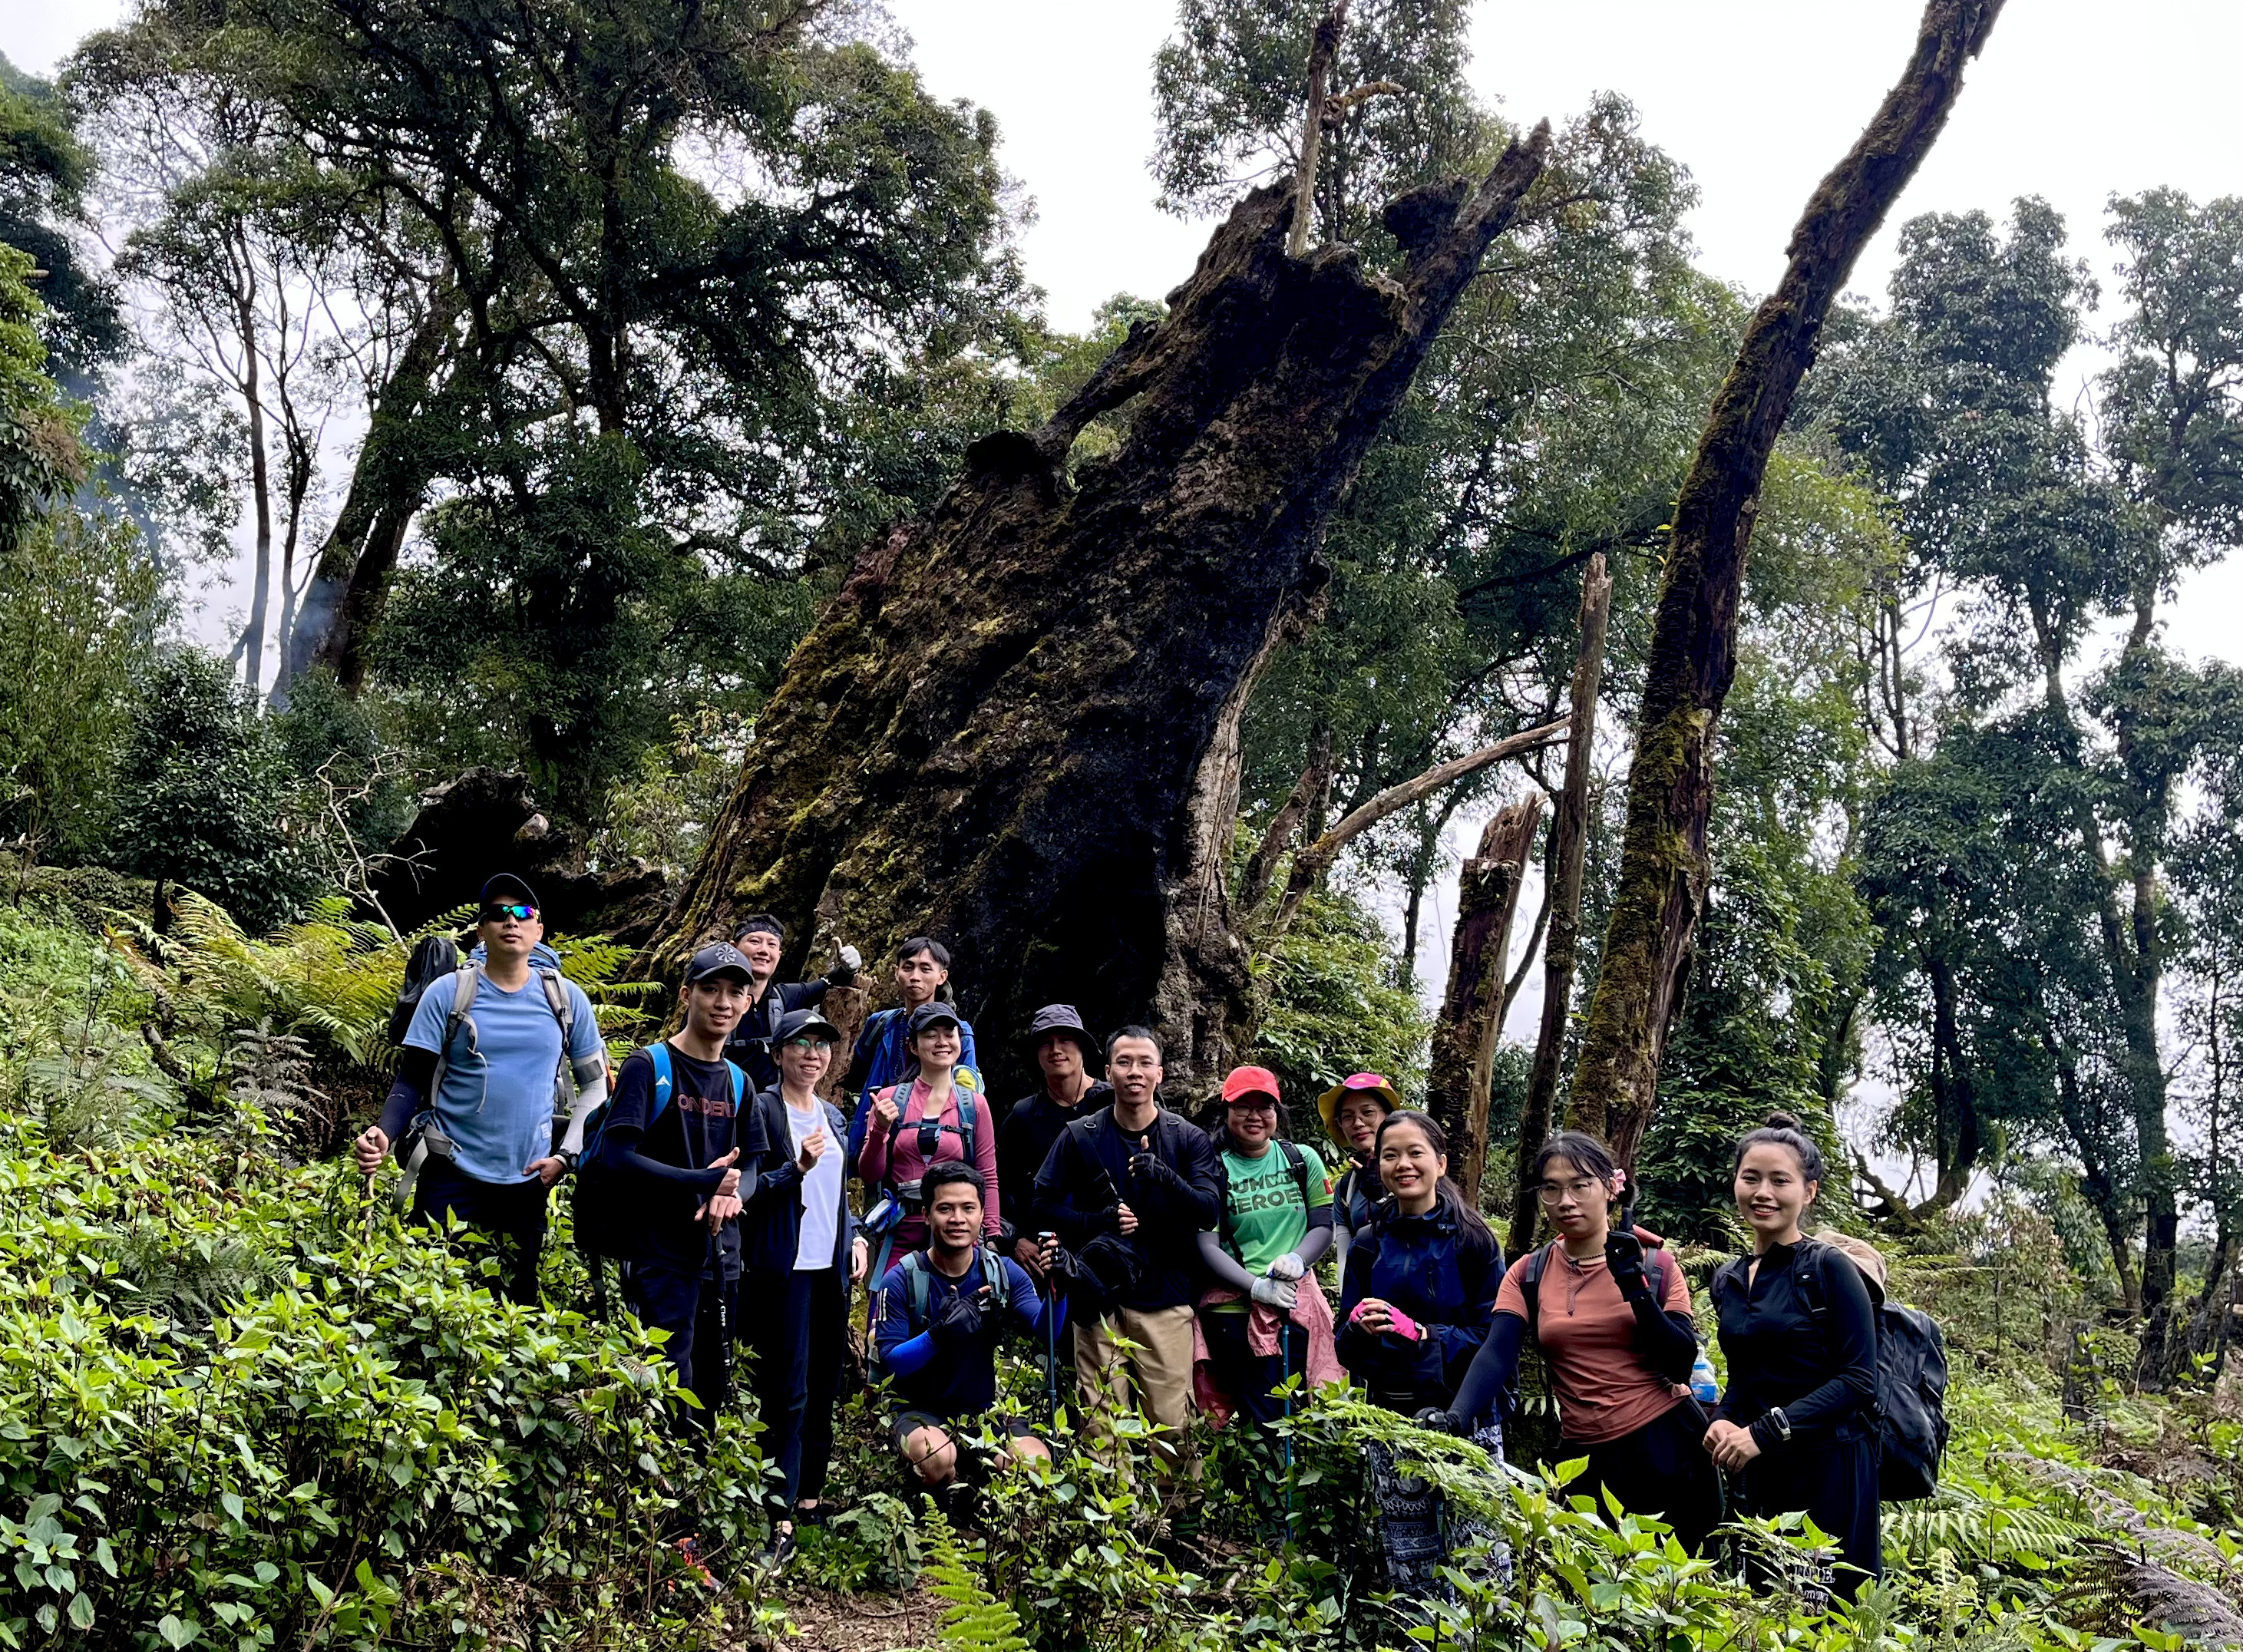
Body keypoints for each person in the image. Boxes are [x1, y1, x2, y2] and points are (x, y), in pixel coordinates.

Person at [1443, 1132, 1723, 1554]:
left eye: (1580, 1185)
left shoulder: (1656, 1265)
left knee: (1673, 1586)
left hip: (1667, 1447)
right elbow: (1497, 1352)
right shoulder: (1529, 1272)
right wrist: (1457, 1417)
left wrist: (1634, 1287)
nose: (1565, 1201)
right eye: (1551, 1189)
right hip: (1584, 1459)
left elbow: (1679, 1363)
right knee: (1592, 1585)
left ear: (1610, 1188)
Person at [355, 875, 606, 1305]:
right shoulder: (448, 993)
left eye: (523, 912)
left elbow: (596, 1084)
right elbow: (412, 1077)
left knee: (518, 1307)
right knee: (429, 1303)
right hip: (448, 1172)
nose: (511, 921)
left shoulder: (566, 1000)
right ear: (481, 931)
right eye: (498, 913)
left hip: (527, 1180)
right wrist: (384, 1132)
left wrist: (567, 1155)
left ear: (539, 930)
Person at [1031, 1025, 1222, 1482]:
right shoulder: (1080, 1135)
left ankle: (1178, 1514)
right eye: (1124, 1062)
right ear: (1107, 1072)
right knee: (1100, 1420)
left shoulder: (1186, 1138)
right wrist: (1098, 1221)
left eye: (1144, 1063)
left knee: (1171, 1419)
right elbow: (1040, 1204)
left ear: (1160, 1073)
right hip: (1096, 1296)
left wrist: (1166, 1178)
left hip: (1165, 1296)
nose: (1134, 1072)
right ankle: (1110, 1514)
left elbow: (1209, 1209)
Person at [1705, 1112, 1881, 1602]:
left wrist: (1763, 1432)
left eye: (1780, 1180)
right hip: (1761, 1470)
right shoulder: (1729, 1279)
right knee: (1765, 1605)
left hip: (1829, 1468)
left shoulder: (1830, 1268)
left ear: (1809, 1192)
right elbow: (1745, 1379)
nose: (1763, 1192)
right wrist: (1723, 1419)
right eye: (1751, 1178)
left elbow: (1858, 1381)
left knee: (1825, 1611)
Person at [595, 943, 758, 1433]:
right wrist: (702, 1181)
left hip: (720, 1258)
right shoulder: (649, 1066)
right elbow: (616, 1156)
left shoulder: (740, 1082)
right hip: (656, 1254)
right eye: (711, 989)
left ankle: (696, 1480)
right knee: (662, 1389)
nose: (723, 1003)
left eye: (735, 992)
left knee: (710, 1389)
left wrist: (732, 1195)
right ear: (687, 994)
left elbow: (751, 1165)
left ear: (748, 1002)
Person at [737, 1006, 868, 1564]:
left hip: (829, 1271)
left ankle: (810, 1498)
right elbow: (746, 1191)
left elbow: (838, 1194)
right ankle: (779, 1514)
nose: (813, 1054)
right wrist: (796, 1167)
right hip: (782, 1272)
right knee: (786, 1390)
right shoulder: (763, 1110)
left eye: (822, 1045)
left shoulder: (833, 1115)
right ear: (777, 1053)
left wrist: (855, 1235)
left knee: (823, 1383)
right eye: (801, 1044)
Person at [1192, 1066, 1338, 1535]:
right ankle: (1272, 1527)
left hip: (1296, 1301)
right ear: (1226, 1112)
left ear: (1277, 1111)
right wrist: (1255, 1287)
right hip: (1236, 1311)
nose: (1254, 1116)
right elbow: (1206, 1245)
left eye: (1264, 1106)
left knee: (1306, 1409)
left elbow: (1323, 1225)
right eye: (1243, 1106)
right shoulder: (1213, 1168)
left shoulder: (1302, 1160)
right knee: (1263, 1416)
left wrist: (1297, 1259)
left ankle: (1303, 1520)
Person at [874, 1163, 1068, 1510]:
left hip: (983, 1412)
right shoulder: (901, 1279)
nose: (957, 1219)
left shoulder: (1002, 1272)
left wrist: (1059, 1291)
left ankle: (977, 1487)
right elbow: (891, 1363)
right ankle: (944, 1491)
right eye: (945, 1208)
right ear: (926, 1215)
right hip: (918, 1410)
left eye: (968, 1208)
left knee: (1037, 1464)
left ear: (982, 1215)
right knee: (934, 1458)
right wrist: (938, 1335)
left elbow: (1046, 1332)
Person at [1335, 1110, 1503, 1413]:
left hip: (1463, 1413)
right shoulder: (1368, 1243)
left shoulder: (1473, 1240)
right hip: (1387, 1416)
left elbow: (1496, 1340)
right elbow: (1345, 1348)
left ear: (1441, 1164)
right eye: (1390, 1156)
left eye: (1415, 1153)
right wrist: (1356, 1328)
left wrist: (1422, 1334)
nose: (1403, 1164)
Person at [856, 1003, 1000, 1285]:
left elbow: (987, 1174)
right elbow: (870, 1174)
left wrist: (992, 1236)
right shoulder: (888, 1099)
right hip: (902, 1231)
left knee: (960, 1309)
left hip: (957, 1235)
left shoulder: (974, 1105)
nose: (942, 1042)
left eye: (949, 1034)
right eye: (931, 1035)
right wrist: (880, 1129)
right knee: (886, 1307)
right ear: (913, 1046)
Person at [997, 1005, 1111, 1277]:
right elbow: (999, 1184)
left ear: (1082, 1047)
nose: (1056, 1050)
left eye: (1065, 1040)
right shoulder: (1025, 1115)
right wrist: (1016, 1239)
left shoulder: (1113, 1102)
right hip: (1048, 1254)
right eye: (1046, 1043)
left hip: (1112, 1245)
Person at [843, 937, 979, 1161]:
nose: (915, 976)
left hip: (930, 1144)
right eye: (908, 968)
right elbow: (855, 1078)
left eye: (926, 969)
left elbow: (968, 1097)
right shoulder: (880, 1024)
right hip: (874, 1136)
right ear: (896, 972)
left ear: (942, 977)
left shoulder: (958, 1033)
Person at [721, 914, 862, 1094]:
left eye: (772, 944)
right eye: (755, 941)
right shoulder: (715, 1001)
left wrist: (848, 969)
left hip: (771, 1104)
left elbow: (827, 985)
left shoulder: (784, 997)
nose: (764, 950)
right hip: (722, 1100)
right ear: (733, 948)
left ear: (779, 955)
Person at [1316, 1072, 1399, 1280]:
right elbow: (1346, 1258)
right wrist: (1347, 1300)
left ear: (1388, 1116)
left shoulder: (1414, 1171)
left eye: (1368, 1112)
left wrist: (1383, 1198)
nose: (1358, 1123)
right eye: (1347, 1117)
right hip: (1368, 1297)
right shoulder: (1347, 1187)